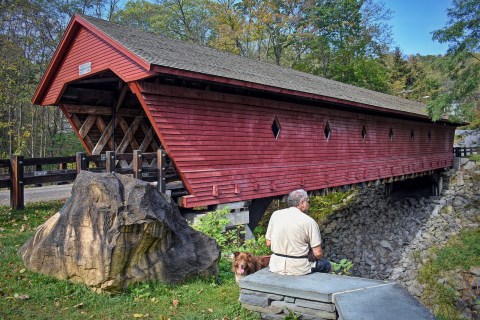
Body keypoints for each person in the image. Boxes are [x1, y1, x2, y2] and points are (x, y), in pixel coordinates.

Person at [265, 189, 331, 275]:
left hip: (276, 266)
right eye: (308, 201)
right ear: (302, 203)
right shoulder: (309, 221)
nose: (308, 204)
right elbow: (318, 253)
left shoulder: (275, 215)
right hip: (299, 268)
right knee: (327, 265)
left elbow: (268, 243)